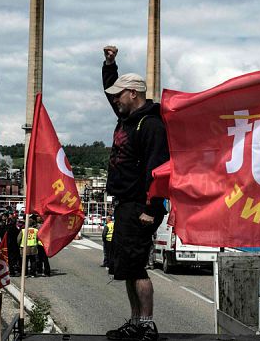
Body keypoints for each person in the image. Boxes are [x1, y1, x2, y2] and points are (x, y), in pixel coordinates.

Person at [101, 45, 169, 341]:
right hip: (125, 203)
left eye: (119, 94)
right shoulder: (126, 117)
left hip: (141, 206)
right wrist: (110, 66)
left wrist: (151, 209)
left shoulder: (150, 124)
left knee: (137, 267)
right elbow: (109, 92)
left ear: (134, 94)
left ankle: (147, 324)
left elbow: (159, 169)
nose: (114, 99)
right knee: (127, 267)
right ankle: (135, 321)